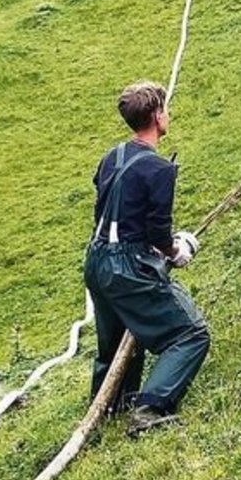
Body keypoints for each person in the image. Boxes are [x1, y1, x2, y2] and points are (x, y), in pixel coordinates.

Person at [85, 80, 210, 436]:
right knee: (190, 334)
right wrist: (177, 250)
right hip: (127, 265)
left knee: (114, 342)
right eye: (165, 109)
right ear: (157, 116)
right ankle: (151, 409)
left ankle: (109, 407)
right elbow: (157, 234)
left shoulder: (112, 157)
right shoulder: (159, 170)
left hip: (96, 261)